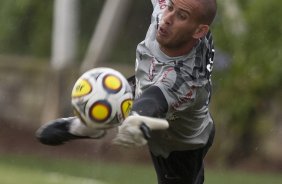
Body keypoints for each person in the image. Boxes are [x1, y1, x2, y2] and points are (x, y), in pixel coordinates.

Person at [36, 0, 217, 183]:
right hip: (146, 87)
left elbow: (154, 99)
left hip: (179, 143)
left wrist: (137, 116)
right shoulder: (165, 13)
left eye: (181, 16)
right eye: (170, 7)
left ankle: (95, 122)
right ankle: (93, 121)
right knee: (138, 88)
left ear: (199, 31)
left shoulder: (186, 79)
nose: (167, 18)